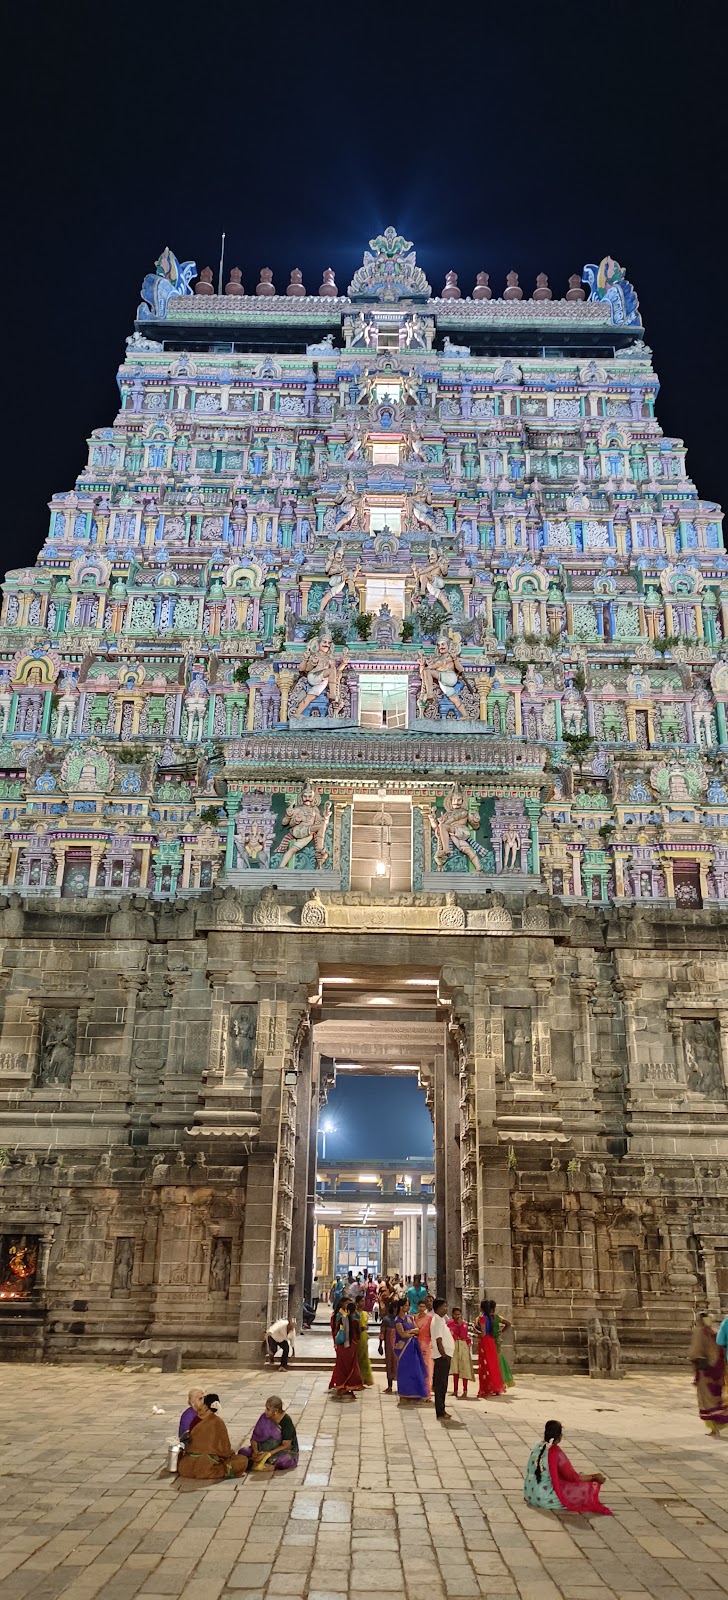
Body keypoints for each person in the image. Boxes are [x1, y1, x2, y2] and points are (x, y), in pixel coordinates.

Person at [523, 1420, 612, 1514]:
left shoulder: (538, 1445)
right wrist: (594, 1477)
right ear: (560, 1436)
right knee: (583, 1487)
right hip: (545, 1498)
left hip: (530, 1495)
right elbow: (572, 1477)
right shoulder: (555, 1453)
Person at [177, 1393, 248, 1482]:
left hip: (186, 1466)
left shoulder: (195, 1419)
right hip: (206, 1467)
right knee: (242, 1461)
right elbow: (225, 1451)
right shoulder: (217, 1422)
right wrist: (230, 1455)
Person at [688, 1311, 728, 1436]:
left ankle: (714, 1429)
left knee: (707, 1400)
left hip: (705, 1371)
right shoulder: (714, 1331)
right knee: (718, 1398)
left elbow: (695, 1351)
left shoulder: (698, 1332)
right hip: (719, 1370)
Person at [237, 1395, 299, 1471]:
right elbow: (254, 1438)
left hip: (279, 1452)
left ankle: (271, 1466)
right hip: (262, 1449)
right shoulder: (264, 1417)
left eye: (268, 1409)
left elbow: (286, 1445)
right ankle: (260, 1462)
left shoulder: (286, 1421)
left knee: (284, 1461)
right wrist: (256, 1451)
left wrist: (269, 1454)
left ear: (276, 1411)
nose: (265, 1411)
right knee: (243, 1452)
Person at [395, 1296, 429, 1403]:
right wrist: (411, 1332)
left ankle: (415, 1394)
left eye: (408, 1305)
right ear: (401, 1307)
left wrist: (409, 1332)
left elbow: (417, 1330)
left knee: (415, 1370)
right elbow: (402, 1334)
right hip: (404, 1348)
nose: (408, 1307)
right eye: (406, 1305)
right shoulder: (398, 1320)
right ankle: (404, 1394)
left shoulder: (410, 1318)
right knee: (405, 1371)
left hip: (412, 1347)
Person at [329, 1298, 363, 1399]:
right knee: (352, 1367)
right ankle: (349, 1387)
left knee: (341, 1367)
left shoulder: (341, 1319)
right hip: (351, 1347)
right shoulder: (355, 1321)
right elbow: (358, 1336)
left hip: (341, 1346)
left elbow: (336, 1331)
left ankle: (341, 1387)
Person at [430, 1297, 455, 1421]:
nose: (446, 1308)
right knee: (441, 1385)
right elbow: (438, 1339)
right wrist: (443, 1354)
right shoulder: (437, 1320)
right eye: (444, 1306)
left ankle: (442, 1408)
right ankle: (440, 1411)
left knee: (442, 1384)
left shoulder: (441, 1319)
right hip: (441, 1357)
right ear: (439, 1308)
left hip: (444, 1355)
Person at [475, 1299, 506, 1399]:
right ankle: (496, 1387)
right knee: (493, 1364)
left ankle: (486, 1389)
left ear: (481, 1308)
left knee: (485, 1365)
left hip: (485, 1342)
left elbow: (483, 1333)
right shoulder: (492, 1318)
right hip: (491, 1341)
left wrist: (474, 1331)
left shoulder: (482, 1318)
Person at [447, 1307, 474, 1399]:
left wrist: (460, 1325)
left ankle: (465, 1390)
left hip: (462, 1345)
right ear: (452, 1314)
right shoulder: (449, 1323)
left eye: (459, 1314)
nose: (457, 1316)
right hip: (453, 1345)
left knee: (464, 1368)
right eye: (455, 1314)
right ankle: (455, 1390)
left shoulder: (464, 1324)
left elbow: (463, 1335)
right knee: (455, 1368)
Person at [488, 1299, 515, 1389]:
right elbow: (508, 1324)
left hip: (489, 1341)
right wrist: (500, 1332)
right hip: (496, 1341)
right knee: (498, 1362)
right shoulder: (497, 1318)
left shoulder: (484, 1318)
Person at [414, 1296, 434, 1397]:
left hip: (426, 1344)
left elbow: (432, 1332)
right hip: (416, 1344)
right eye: (420, 1306)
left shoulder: (430, 1318)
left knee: (427, 1367)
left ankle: (427, 1391)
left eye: (423, 1306)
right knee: (417, 1367)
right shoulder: (414, 1318)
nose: (421, 1308)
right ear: (417, 1307)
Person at [379, 1299, 398, 1394]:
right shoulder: (386, 1320)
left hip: (399, 1346)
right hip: (389, 1347)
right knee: (389, 1364)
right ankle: (389, 1386)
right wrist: (380, 1345)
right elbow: (382, 1333)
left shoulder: (401, 1319)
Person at [357, 1296, 374, 1386]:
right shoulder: (354, 1313)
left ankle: (364, 1377)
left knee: (364, 1356)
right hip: (356, 1336)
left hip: (363, 1335)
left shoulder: (365, 1314)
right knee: (357, 1356)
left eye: (364, 1301)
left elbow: (366, 1324)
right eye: (361, 1302)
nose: (363, 1304)